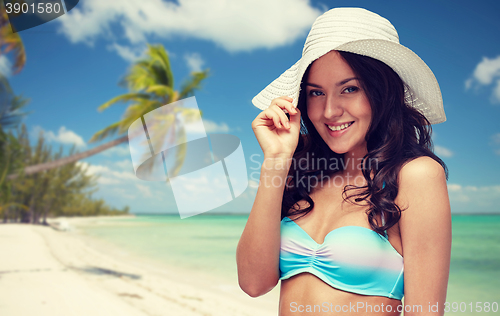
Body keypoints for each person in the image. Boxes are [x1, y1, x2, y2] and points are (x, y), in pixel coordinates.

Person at [236, 7, 452, 316]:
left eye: (349, 88)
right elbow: (253, 283)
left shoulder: (415, 176)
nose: (329, 112)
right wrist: (276, 160)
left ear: (382, 91)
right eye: (316, 93)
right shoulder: (303, 172)